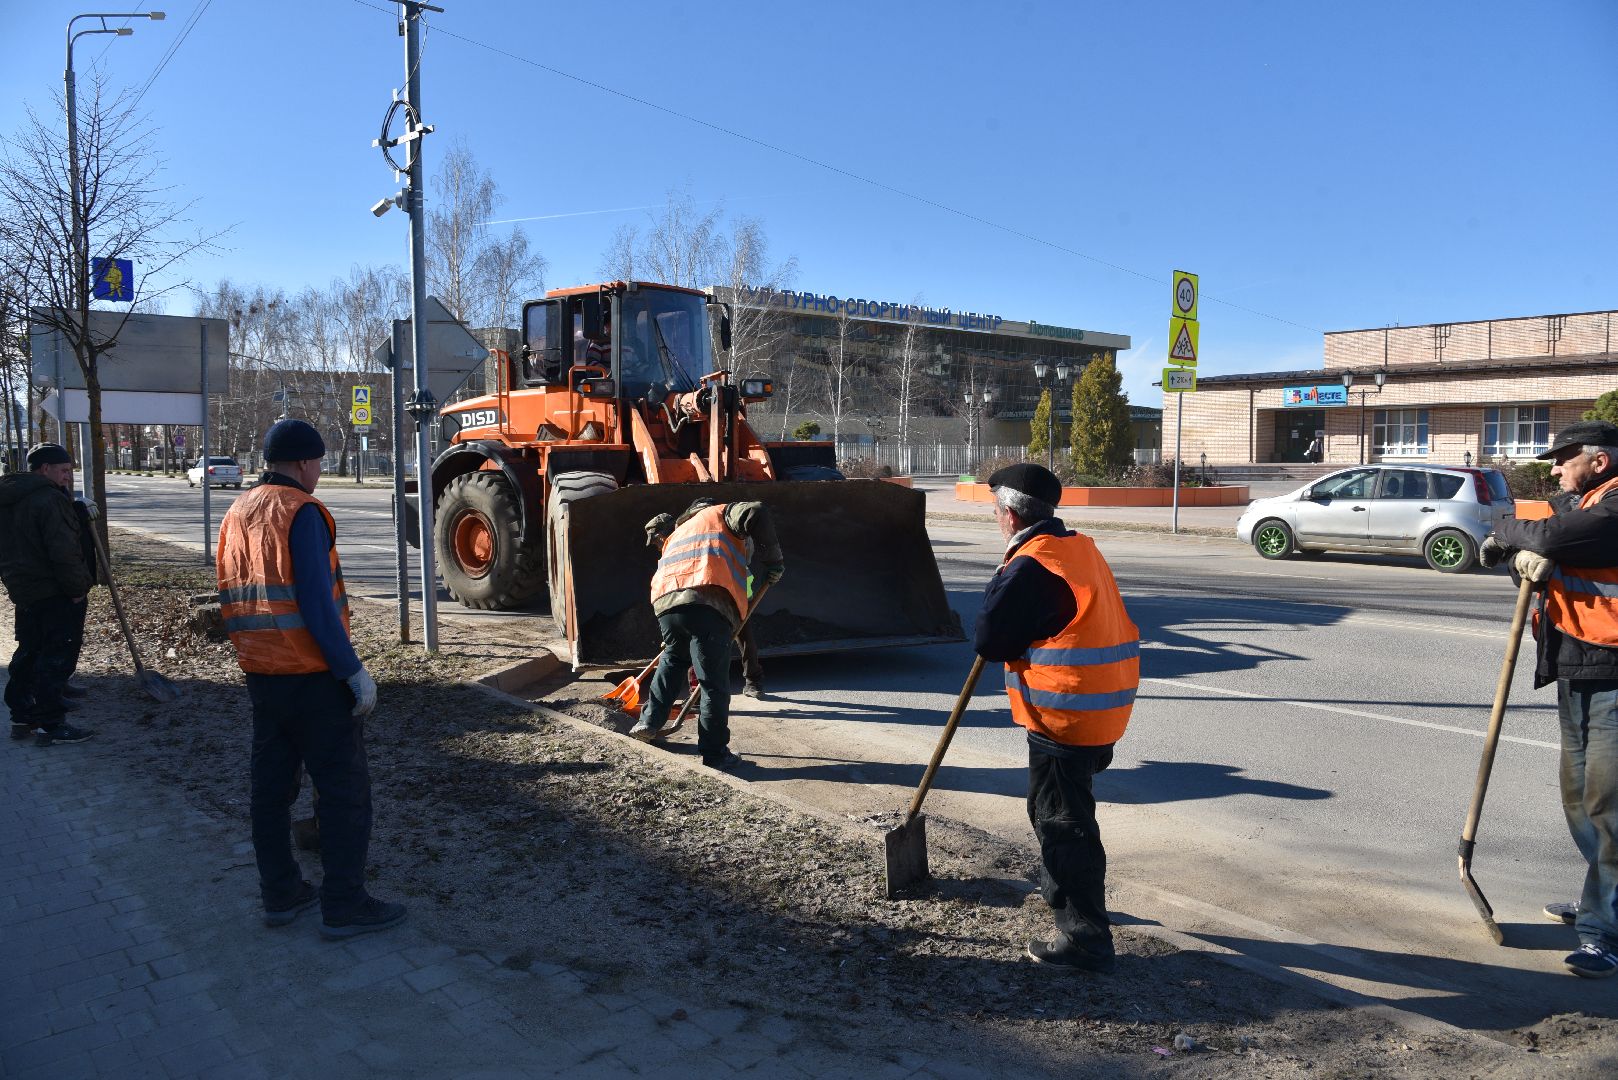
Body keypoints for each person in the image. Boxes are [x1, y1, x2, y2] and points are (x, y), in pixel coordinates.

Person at [217, 419, 404, 939]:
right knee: (343, 791)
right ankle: (344, 905)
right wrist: (353, 672)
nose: (319, 472)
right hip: (314, 677)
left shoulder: (238, 511)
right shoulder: (300, 511)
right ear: (303, 463)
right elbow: (317, 605)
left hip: (260, 674)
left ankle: (281, 893)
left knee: (271, 792)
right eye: (319, 463)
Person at [974, 463, 1139, 972]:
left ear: (1008, 514)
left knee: (1063, 825)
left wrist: (1001, 581)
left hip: (1064, 720)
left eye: (995, 511)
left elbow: (991, 640)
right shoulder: (1079, 548)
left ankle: (1086, 939)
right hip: (1102, 713)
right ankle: (1059, 888)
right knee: (1058, 813)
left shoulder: (1032, 566)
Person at [1480, 419, 1618, 979]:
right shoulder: (1583, 504)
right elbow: (1533, 535)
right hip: (1575, 668)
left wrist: (1518, 538)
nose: (1554, 468)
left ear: (1600, 461)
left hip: (1615, 675)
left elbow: (1548, 537)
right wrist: (1517, 553)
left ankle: (1601, 931)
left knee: (1610, 809)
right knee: (1580, 801)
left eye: (1564, 459)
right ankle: (1603, 897)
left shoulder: (1613, 509)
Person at [629, 497, 784, 768]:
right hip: (707, 599)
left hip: (665, 601)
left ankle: (648, 723)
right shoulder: (721, 514)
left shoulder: (680, 530)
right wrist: (773, 561)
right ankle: (715, 753)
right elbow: (756, 510)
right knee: (713, 682)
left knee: (673, 659)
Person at [0, 443, 96, 747]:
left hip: (24, 588)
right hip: (54, 590)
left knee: (29, 651)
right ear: (45, 469)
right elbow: (64, 552)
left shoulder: (10, 497)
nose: (69, 476)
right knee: (56, 655)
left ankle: (23, 713)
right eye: (65, 470)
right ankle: (51, 725)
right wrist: (77, 590)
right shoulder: (48, 500)